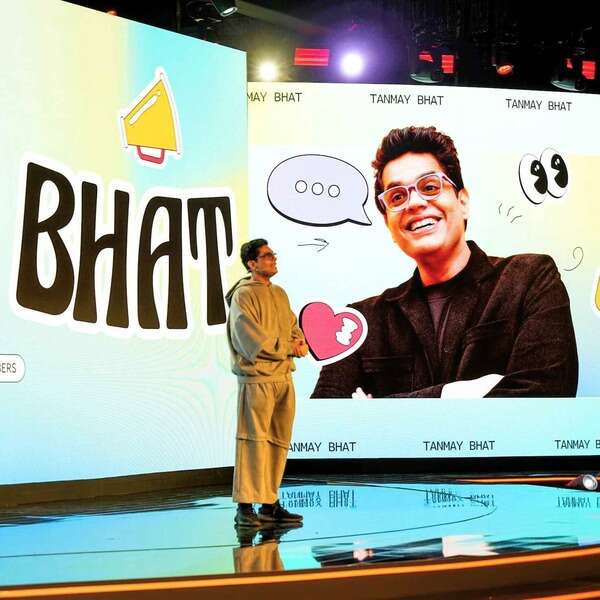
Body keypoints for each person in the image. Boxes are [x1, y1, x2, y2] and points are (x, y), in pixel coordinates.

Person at [311, 126, 578, 399]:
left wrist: (379, 409)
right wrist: (451, 394)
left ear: (463, 202)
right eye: (397, 197)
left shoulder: (530, 280)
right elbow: (327, 423)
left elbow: (545, 395)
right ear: (388, 225)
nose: (414, 203)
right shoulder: (360, 322)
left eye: (429, 187)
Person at [226, 238, 309, 526]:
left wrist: (299, 342)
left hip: (283, 378)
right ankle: (245, 507)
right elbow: (250, 339)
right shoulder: (243, 296)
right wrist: (288, 346)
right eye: (267, 255)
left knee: (277, 442)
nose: (273, 259)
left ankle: (269, 502)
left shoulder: (280, 294)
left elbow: (293, 326)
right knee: (252, 441)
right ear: (252, 263)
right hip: (257, 379)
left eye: (273, 254)